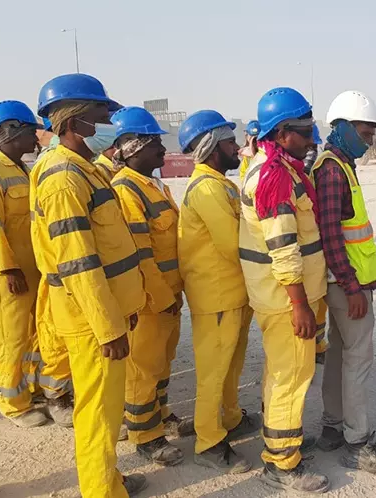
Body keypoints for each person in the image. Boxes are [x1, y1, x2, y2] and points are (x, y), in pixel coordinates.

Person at [32, 73, 147, 496]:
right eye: (101, 114)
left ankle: (108, 480)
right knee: (99, 414)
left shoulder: (84, 169)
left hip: (106, 312)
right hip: (93, 321)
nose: (107, 124)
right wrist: (107, 327)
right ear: (75, 120)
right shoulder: (63, 178)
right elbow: (78, 263)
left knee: (106, 409)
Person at [238, 87, 330, 493]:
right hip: (284, 297)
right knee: (291, 377)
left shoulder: (280, 167)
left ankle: (281, 441)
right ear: (280, 134)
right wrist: (300, 305)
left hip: (278, 295)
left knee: (280, 373)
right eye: (304, 130)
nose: (311, 138)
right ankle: (283, 463)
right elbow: (283, 248)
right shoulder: (274, 176)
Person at [310, 90, 376, 475]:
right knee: (358, 360)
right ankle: (357, 441)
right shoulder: (332, 170)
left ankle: (333, 428)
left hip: (345, 281)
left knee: (337, 355)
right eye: (364, 132)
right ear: (343, 127)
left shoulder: (339, 165)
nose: (368, 139)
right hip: (345, 283)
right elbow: (331, 234)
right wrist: (351, 286)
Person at [110, 107, 194, 466]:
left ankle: (159, 414)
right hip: (149, 299)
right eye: (154, 143)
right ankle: (145, 434)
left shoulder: (153, 185)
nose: (162, 150)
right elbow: (141, 254)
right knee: (143, 367)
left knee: (162, 362)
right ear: (133, 149)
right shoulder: (127, 190)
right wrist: (161, 297)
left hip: (168, 294)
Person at [177, 110, 258, 474]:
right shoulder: (208, 188)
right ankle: (209, 440)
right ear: (210, 146)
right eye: (229, 142)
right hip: (217, 296)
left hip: (232, 292)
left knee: (230, 366)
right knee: (213, 370)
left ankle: (230, 416)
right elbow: (231, 243)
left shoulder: (219, 183)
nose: (237, 149)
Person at [0, 100, 48, 428]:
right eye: (28, 133)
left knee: (34, 333)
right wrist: (8, 269)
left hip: (34, 269)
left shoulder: (23, 170)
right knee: (11, 338)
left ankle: (33, 389)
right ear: (8, 132)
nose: (34, 140)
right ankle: (13, 404)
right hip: (9, 273)